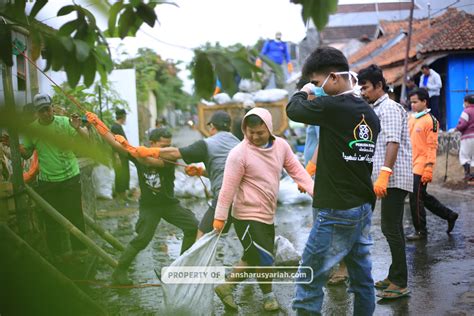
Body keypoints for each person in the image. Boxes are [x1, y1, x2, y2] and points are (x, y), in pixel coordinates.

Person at [286, 46, 381, 315]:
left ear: (334, 77)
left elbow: (294, 109)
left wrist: (303, 90)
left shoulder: (334, 106)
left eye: (317, 83)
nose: (316, 89)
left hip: (336, 209)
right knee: (362, 281)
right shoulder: (368, 112)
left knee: (310, 277)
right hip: (362, 207)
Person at [212, 108, 314, 311]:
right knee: (264, 257)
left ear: (269, 129)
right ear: (244, 130)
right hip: (245, 215)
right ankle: (268, 296)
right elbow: (227, 188)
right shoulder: (238, 154)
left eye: (259, 132)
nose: (254, 137)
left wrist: (316, 192)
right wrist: (219, 217)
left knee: (252, 256)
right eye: (250, 132)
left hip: (267, 214)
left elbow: (296, 170)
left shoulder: (281, 146)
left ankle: (226, 286)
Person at [86, 114, 199, 285]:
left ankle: (181, 269)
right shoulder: (140, 153)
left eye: (169, 145)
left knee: (192, 226)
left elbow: (151, 162)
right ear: (152, 143)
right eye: (163, 146)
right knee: (142, 239)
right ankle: (120, 271)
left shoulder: (167, 157)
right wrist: (97, 124)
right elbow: (115, 144)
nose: (167, 149)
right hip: (149, 206)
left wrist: (134, 150)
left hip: (169, 204)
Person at [358, 64, 413, 299]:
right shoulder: (376, 108)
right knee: (391, 228)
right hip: (387, 176)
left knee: (391, 228)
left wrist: (384, 173)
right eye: (360, 88)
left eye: (366, 88)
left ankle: (400, 282)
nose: (362, 93)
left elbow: (393, 142)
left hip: (393, 177)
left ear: (379, 86)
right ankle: (394, 275)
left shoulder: (388, 108)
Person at [150, 111, 240, 239]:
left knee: (202, 234)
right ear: (229, 127)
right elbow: (224, 171)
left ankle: (196, 259)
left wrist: (148, 151)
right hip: (245, 197)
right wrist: (201, 172)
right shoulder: (238, 142)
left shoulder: (207, 143)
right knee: (247, 241)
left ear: (212, 127)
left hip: (225, 197)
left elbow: (175, 153)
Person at [22, 94, 89, 257]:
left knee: (75, 215)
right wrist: (16, 148)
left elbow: (86, 140)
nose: (45, 113)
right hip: (48, 181)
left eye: (47, 109)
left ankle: (80, 252)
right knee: (51, 219)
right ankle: (58, 255)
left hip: (70, 177)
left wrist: (78, 128)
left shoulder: (66, 122)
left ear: (52, 107)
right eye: (41, 111)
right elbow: (26, 153)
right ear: (36, 113)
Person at [406, 88, 459, 241]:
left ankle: (421, 231)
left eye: (416, 102)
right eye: (411, 102)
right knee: (422, 196)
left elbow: (432, 146)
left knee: (415, 198)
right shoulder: (412, 119)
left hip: (422, 165)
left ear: (424, 102)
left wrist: (429, 167)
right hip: (411, 162)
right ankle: (449, 215)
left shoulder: (431, 121)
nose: (413, 105)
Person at [110, 108, 130, 201]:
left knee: (125, 174)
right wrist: (116, 156)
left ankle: (124, 194)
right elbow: (113, 142)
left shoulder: (118, 126)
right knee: (120, 175)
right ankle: (119, 195)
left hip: (123, 155)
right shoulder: (115, 127)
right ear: (123, 116)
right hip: (118, 155)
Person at [453, 94, 474, 181]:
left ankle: (468, 175)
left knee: (464, 155)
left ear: (466, 102)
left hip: (468, 137)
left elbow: (462, 124)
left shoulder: (466, 111)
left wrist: (456, 128)